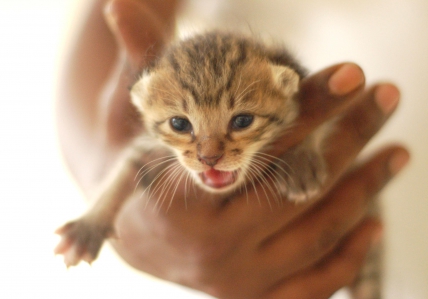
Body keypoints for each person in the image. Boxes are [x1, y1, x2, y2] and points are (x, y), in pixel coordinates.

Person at [56, 0, 409, 298]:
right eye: (181, 126)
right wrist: (97, 207)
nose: (209, 153)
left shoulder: (284, 83)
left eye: (240, 122)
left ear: (285, 88)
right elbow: (132, 159)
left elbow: (315, 117)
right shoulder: (165, 108)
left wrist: (306, 148)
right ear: (144, 103)